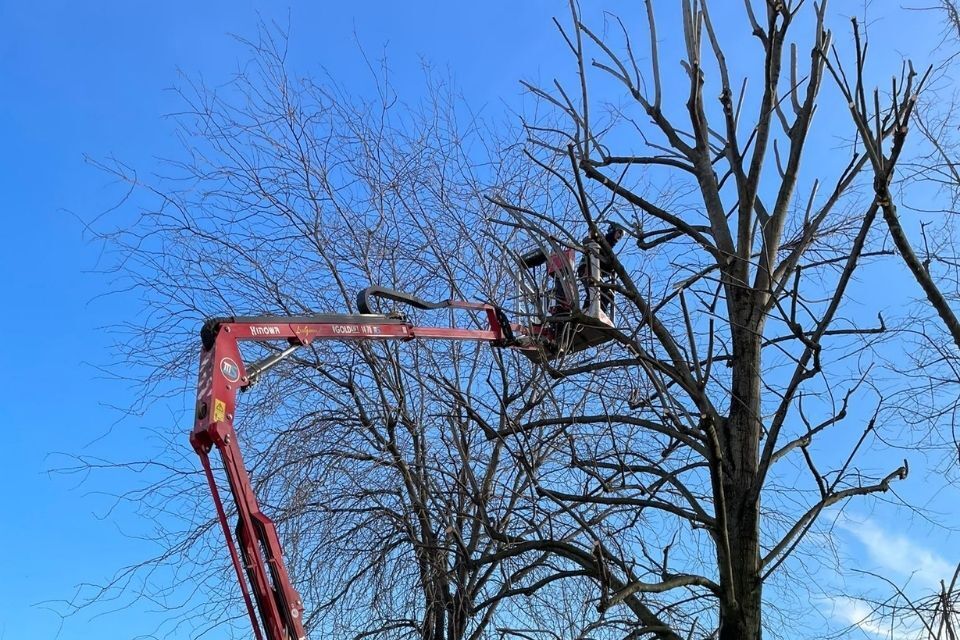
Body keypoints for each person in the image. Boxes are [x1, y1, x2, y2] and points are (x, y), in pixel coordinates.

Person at [578, 223, 625, 319]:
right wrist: (593, 230)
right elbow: (588, 241)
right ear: (613, 230)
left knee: (607, 294)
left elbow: (606, 266)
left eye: (621, 235)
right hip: (587, 269)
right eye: (619, 232)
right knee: (594, 292)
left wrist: (612, 268)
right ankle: (587, 314)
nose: (619, 236)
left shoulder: (610, 251)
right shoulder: (601, 240)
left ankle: (599, 314)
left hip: (596, 272)